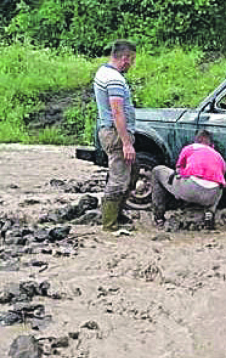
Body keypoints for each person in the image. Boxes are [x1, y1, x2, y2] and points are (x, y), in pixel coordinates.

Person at [94, 40, 137, 234]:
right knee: (118, 178)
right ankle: (109, 225)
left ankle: (117, 215)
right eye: (132, 60)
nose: (132, 64)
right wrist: (127, 142)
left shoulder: (102, 72)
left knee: (129, 173)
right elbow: (117, 112)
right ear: (124, 58)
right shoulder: (114, 80)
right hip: (115, 133)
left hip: (109, 130)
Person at [150, 130, 226, 230]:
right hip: (211, 196)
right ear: (212, 145)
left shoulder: (190, 148)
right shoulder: (219, 157)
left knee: (157, 171)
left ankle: (158, 218)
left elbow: (178, 170)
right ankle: (209, 213)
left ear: (196, 141)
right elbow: (220, 177)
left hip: (190, 189)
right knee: (219, 184)